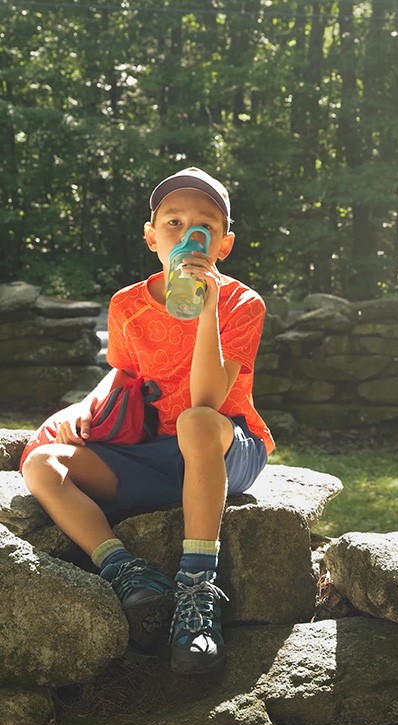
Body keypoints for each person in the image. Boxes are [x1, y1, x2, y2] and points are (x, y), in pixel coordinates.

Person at [22, 166, 274, 676]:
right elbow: (123, 374)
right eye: (174, 222)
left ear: (223, 244)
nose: (187, 235)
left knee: (195, 422)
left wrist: (208, 308)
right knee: (44, 463)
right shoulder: (127, 304)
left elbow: (207, 399)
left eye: (203, 225)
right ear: (151, 236)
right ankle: (125, 568)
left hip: (225, 445)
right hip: (156, 452)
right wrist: (82, 407)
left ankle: (197, 593)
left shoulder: (243, 303)